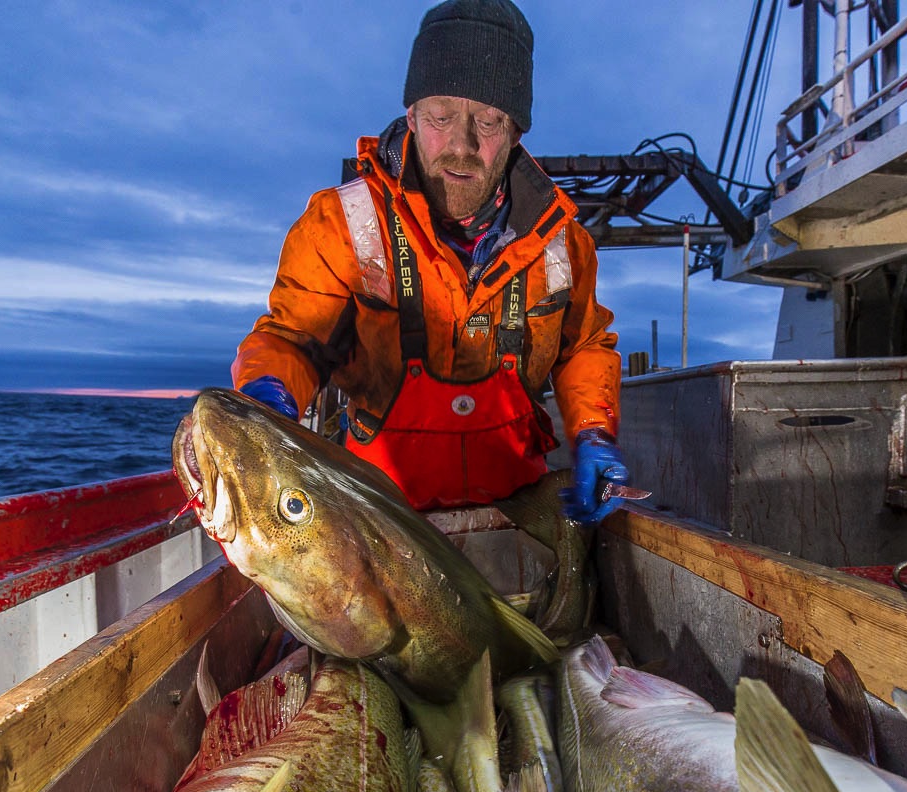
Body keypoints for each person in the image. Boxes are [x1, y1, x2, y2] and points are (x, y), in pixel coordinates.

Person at [232, 0, 628, 524]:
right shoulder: (342, 223)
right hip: (379, 525)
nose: (461, 146)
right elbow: (293, 339)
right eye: (442, 116)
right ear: (412, 116)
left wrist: (594, 432)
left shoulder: (564, 242)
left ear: (515, 134)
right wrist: (269, 394)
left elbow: (583, 347)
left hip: (518, 520)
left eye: (488, 121)